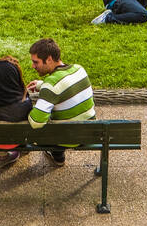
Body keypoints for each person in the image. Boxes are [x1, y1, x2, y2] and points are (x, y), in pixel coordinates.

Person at [24, 37, 95, 166]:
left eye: (36, 62)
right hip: (90, 133)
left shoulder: (50, 86)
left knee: (43, 123)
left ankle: (56, 153)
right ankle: (57, 155)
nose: (33, 66)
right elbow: (63, 86)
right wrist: (41, 85)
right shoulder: (79, 69)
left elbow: (36, 123)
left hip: (67, 138)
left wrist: (24, 106)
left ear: (49, 59)